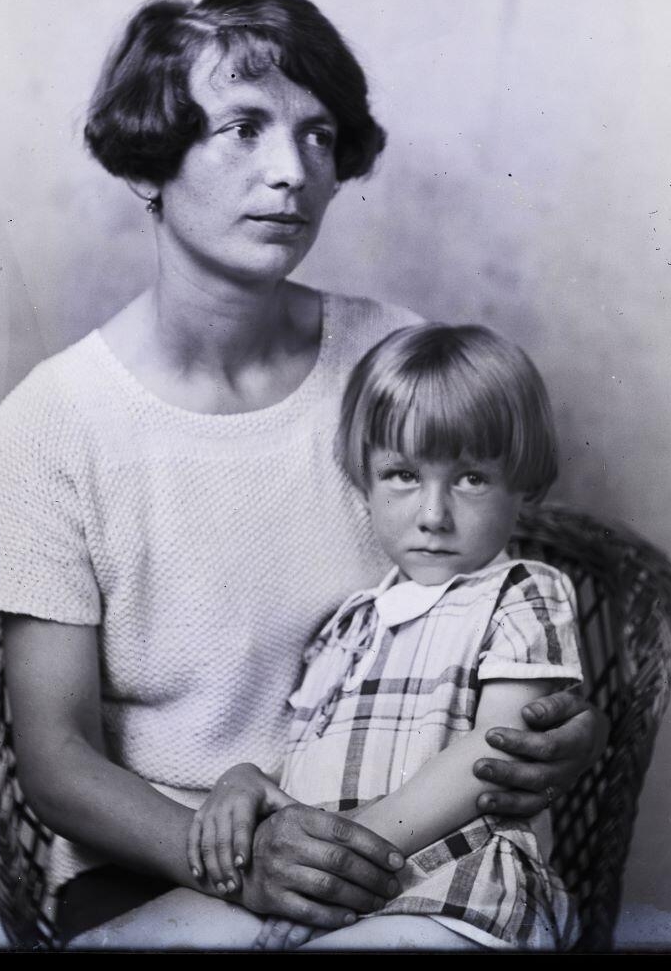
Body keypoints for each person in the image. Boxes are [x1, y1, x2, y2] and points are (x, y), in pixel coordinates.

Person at [0, 0, 608, 950]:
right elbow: (54, 756)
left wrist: (562, 735)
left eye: (316, 137)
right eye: (242, 128)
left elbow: (493, 604)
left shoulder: (393, 353)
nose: (292, 173)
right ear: (151, 159)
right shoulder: (53, 421)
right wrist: (221, 855)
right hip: (163, 866)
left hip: (405, 854)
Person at [187, 323, 582, 952]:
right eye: (401, 474)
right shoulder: (349, 623)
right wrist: (245, 781)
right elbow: (306, 759)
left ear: (523, 485)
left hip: (452, 889)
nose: (433, 513)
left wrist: (340, 859)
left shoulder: (524, 591)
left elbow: (497, 752)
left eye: (471, 478)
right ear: (363, 479)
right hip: (316, 879)